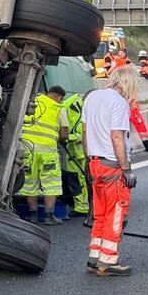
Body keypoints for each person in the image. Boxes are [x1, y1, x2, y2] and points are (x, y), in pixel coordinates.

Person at [83, 63, 141, 276]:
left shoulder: (92, 97)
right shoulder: (119, 103)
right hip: (112, 166)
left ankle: (94, 258)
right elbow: (117, 137)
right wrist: (126, 169)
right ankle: (108, 261)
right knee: (116, 213)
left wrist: (88, 160)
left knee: (100, 213)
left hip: (95, 162)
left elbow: (85, 132)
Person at [17, 84, 66, 225]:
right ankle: (49, 216)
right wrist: (60, 139)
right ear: (60, 98)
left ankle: (32, 215)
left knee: (29, 181)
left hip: (27, 149)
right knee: (51, 183)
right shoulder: (59, 108)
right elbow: (64, 133)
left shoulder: (34, 100)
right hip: (47, 151)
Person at [59, 88, 90, 226]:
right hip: (72, 152)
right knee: (75, 180)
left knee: (87, 180)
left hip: (85, 152)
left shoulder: (93, 108)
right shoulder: (69, 104)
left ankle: (89, 205)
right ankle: (81, 207)